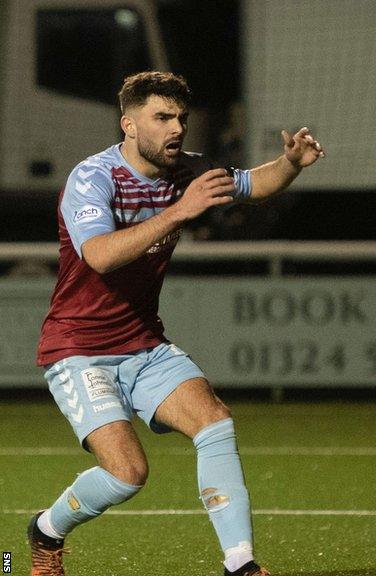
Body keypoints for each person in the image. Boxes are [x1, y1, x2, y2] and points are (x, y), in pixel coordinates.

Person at [28, 71, 324, 576]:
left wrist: (291, 163)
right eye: (161, 117)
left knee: (216, 422)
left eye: (181, 118)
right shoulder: (92, 178)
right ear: (128, 124)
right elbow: (99, 256)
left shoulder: (188, 170)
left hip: (144, 345)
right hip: (78, 349)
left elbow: (256, 183)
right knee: (127, 475)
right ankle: (44, 531)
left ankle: (241, 564)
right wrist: (178, 212)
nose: (177, 128)